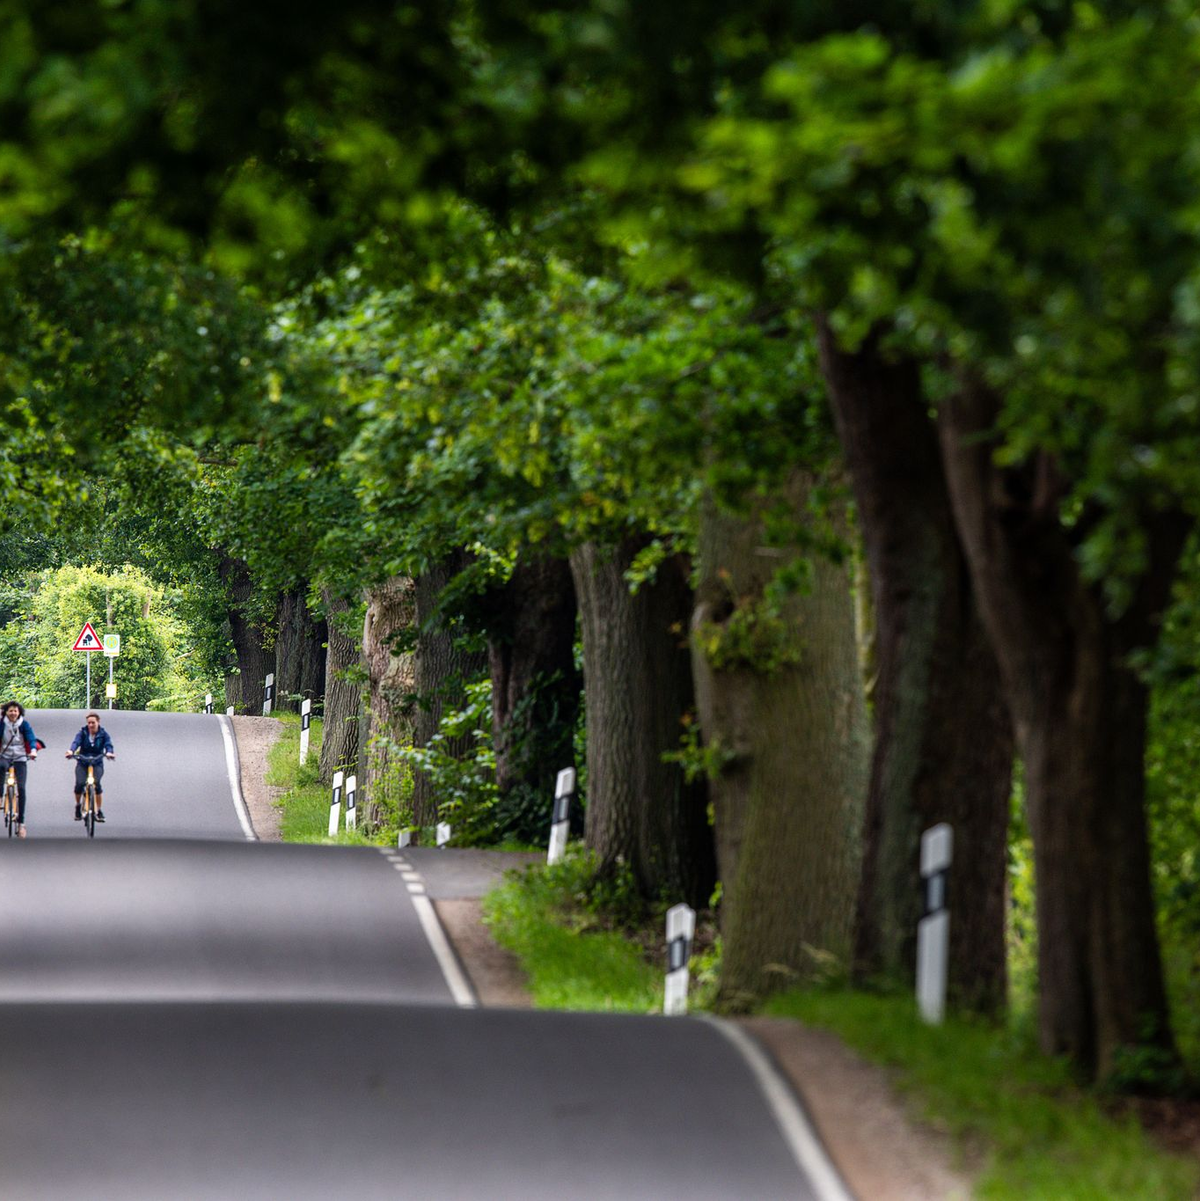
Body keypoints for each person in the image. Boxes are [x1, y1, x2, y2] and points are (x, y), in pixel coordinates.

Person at [66, 711, 115, 822]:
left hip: (97, 761)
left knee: (97, 784)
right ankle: (78, 806)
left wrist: (109, 752)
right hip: (83, 761)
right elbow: (76, 742)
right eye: (89, 723)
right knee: (79, 784)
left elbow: (108, 744)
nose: (91, 725)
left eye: (93, 722)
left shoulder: (103, 734)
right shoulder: (82, 733)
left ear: (98, 722)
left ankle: (99, 811)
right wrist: (71, 751)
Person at [0, 701, 39, 839]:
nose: (13, 713)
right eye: (10, 711)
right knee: (1, 767)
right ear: (6, 712)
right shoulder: (2, 724)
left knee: (21, 788)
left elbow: (31, 738)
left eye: (15, 711)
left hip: (20, 757)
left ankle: (21, 824)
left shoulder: (24, 724)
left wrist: (33, 751)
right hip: (5, 756)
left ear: (19, 712)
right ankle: (0, 796)